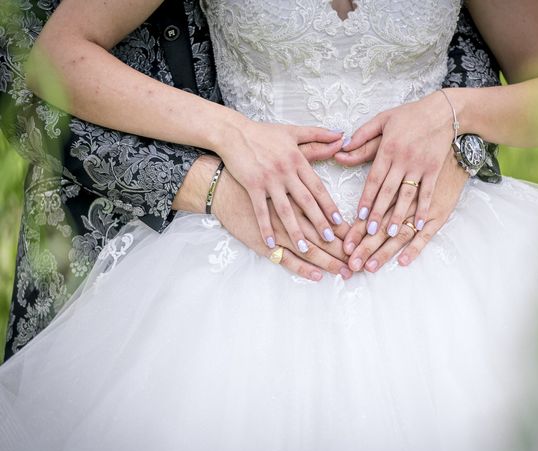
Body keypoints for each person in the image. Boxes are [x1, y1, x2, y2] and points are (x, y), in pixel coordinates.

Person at [1, 1, 538, 451]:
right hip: (248, 249)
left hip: (448, 249)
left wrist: (453, 113)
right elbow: (56, 54)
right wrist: (229, 134)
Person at [0, 0, 500, 360]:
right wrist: (231, 135)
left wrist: (453, 117)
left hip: (438, 246)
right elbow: (44, 63)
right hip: (236, 238)